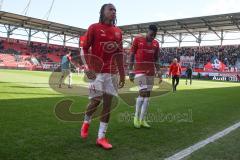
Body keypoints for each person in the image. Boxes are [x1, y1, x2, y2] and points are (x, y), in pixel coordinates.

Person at [80, 3, 125, 150]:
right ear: (102, 12)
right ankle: (86, 121)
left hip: (112, 74)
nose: (113, 12)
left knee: (107, 106)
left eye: (115, 10)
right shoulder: (94, 28)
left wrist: (122, 74)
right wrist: (86, 68)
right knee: (94, 103)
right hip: (97, 72)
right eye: (110, 9)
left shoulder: (118, 32)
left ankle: (101, 137)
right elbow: (84, 48)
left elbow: (119, 54)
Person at [129, 24, 161, 128]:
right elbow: (132, 55)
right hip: (139, 71)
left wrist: (159, 71)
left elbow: (156, 59)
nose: (153, 37)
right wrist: (130, 70)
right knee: (142, 93)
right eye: (151, 34)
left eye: (154, 35)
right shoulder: (138, 40)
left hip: (150, 71)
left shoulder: (156, 44)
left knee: (147, 96)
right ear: (148, 32)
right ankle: (136, 118)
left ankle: (143, 120)